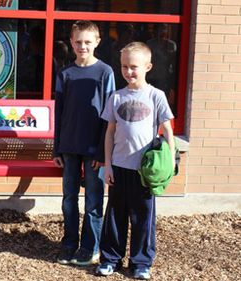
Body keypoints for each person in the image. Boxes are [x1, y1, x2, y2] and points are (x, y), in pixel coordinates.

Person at [96, 42, 175, 280]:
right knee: (115, 216)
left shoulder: (156, 96)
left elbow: (168, 130)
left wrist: (170, 161)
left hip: (145, 171)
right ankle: (110, 259)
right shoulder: (116, 97)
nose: (128, 72)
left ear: (148, 67)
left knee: (143, 218)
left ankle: (141, 262)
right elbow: (110, 132)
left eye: (134, 67)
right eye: (124, 67)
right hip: (119, 167)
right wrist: (107, 164)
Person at [53, 20, 116, 266]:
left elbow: (109, 116)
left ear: (97, 42)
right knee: (69, 198)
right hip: (69, 146)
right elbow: (59, 112)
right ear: (71, 42)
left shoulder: (105, 72)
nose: (82, 46)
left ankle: (90, 247)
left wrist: (103, 151)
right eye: (78, 42)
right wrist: (57, 147)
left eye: (88, 42)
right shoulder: (65, 73)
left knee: (93, 201)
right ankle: (69, 244)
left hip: (94, 149)